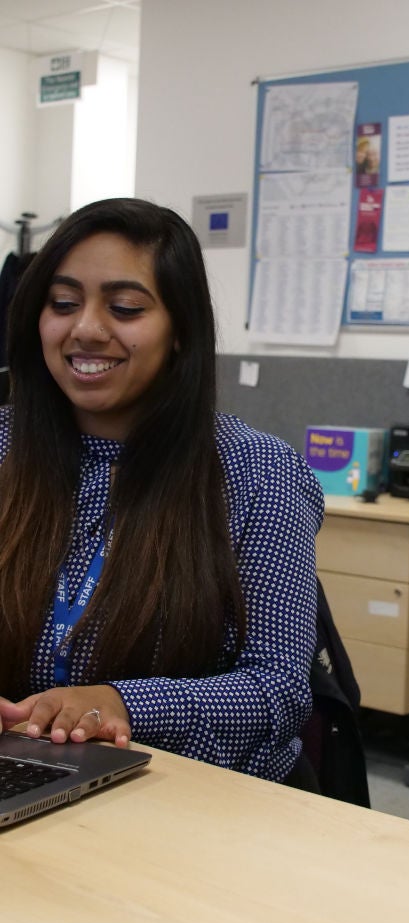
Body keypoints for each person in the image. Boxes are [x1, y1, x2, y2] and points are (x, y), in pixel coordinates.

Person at [0, 197, 324, 787]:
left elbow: (276, 691)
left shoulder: (258, 474)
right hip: (22, 780)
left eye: (124, 308)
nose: (87, 329)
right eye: (63, 303)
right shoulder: (5, 449)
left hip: (191, 803)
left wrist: (123, 704)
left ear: (180, 331)